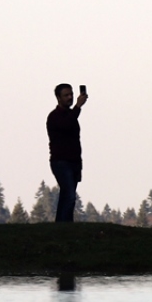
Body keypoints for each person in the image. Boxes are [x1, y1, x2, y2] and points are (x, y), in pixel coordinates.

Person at [47, 83, 88, 222]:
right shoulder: (54, 117)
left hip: (73, 162)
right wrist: (77, 107)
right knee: (70, 196)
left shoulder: (71, 116)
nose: (70, 97)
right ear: (58, 98)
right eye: (66, 95)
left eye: (71, 94)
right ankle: (64, 226)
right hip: (61, 162)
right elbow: (66, 125)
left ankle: (63, 225)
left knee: (67, 196)